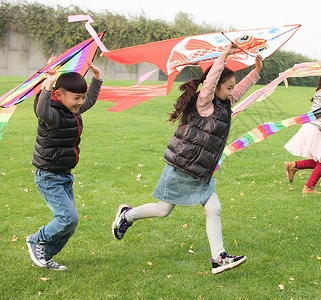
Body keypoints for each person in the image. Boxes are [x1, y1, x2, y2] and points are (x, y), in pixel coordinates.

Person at [112, 42, 262, 274]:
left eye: (232, 88)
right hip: (183, 167)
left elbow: (241, 89)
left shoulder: (225, 104)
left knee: (214, 208)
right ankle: (127, 216)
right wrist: (224, 56)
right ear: (216, 88)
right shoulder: (204, 104)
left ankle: (219, 258)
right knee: (163, 210)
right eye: (228, 87)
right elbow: (211, 81)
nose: (233, 91)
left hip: (201, 171)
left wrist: (256, 71)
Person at [26, 63, 102, 270]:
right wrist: (47, 86)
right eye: (76, 98)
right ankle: (36, 240)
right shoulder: (51, 115)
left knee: (71, 223)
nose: (81, 102)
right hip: (48, 175)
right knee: (68, 217)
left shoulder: (73, 109)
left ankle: (45, 255)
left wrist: (96, 78)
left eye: (82, 97)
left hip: (65, 175)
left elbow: (91, 100)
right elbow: (42, 110)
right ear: (59, 95)